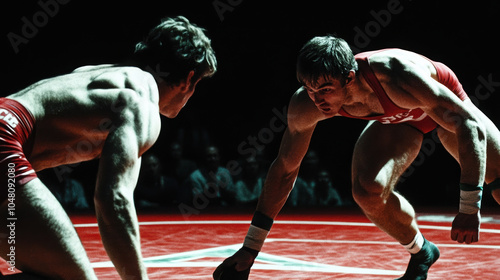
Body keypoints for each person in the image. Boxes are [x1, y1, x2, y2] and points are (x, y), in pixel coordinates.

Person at [214, 36, 500, 280]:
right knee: (367, 190)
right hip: (399, 120)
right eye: (311, 90)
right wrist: (251, 248)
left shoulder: (397, 75)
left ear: (349, 78)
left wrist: (469, 208)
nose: (318, 100)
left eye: (325, 90)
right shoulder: (306, 104)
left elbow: (468, 125)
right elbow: (286, 170)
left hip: (448, 109)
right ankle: (422, 250)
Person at [0, 16, 216, 279]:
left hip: (7, 129)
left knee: (52, 269)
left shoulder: (96, 73)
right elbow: (112, 199)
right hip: (5, 138)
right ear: (188, 79)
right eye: (197, 86)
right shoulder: (139, 100)